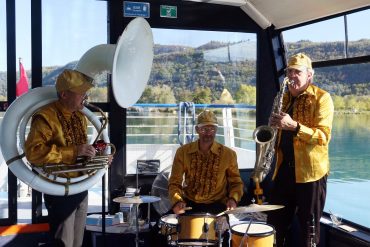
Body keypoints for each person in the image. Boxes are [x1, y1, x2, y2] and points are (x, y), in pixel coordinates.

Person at [25, 69, 100, 247]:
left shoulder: (80, 117)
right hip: (59, 189)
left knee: (77, 243)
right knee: (63, 243)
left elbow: (82, 152)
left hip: (81, 187)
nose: (85, 96)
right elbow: (33, 153)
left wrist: (98, 156)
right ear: (64, 94)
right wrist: (74, 151)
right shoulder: (45, 117)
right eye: (81, 92)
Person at [267, 53, 334, 247]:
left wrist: (295, 126)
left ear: (309, 75)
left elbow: (323, 137)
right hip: (284, 171)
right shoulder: (283, 97)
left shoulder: (322, 98)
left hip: (311, 176)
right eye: (289, 71)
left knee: (308, 233)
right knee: (274, 227)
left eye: (297, 71)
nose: (292, 76)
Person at [168, 110, 244, 246]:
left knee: (223, 239)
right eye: (204, 129)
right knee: (160, 231)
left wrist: (233, 199)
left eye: (212, 129)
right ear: (197, 129)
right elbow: (175, 182)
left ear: (216, 130)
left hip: (217, 206)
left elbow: (236, 183)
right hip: (189, 204)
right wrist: (176, 202)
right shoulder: (183, 152)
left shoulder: (229, 155)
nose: (208, 133)